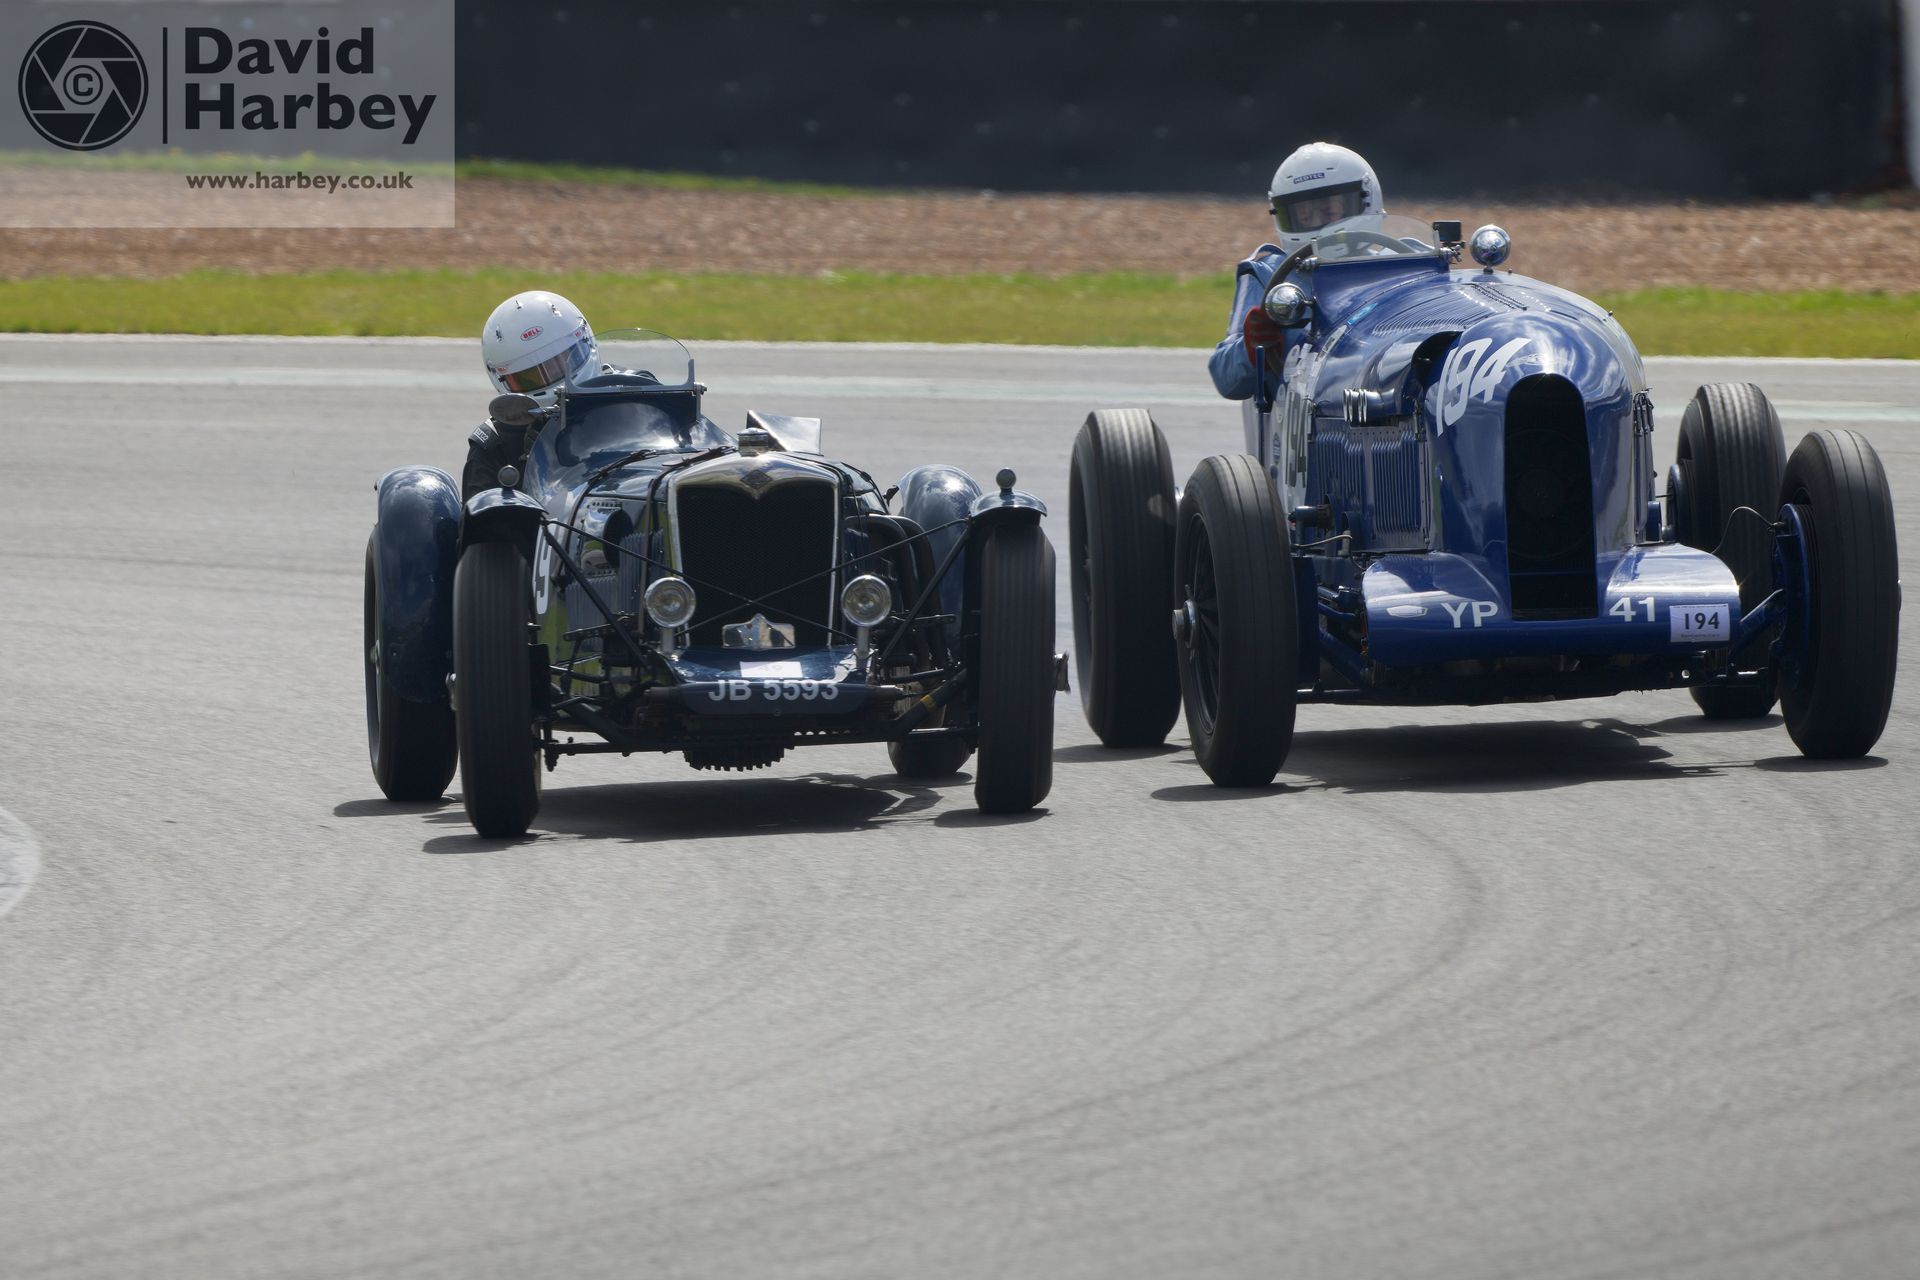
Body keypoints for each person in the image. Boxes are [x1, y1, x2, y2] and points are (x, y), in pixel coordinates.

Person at [1206, 142, 1384, 402]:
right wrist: (1252, 346)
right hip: (1305, 415)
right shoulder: (1266, 275)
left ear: (1365, 199)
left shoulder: (1408, 260)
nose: (1316, 224)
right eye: (1303, 215)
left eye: (1329, 211)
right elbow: (1225, 377)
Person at [462, 291, 599, 497]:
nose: (552, 381)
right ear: (501, 378)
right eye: (530, 377)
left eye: (563, 362)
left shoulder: (634, 394)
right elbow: (483, 523)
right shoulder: (496, 443)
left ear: (585, 342)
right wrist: (530, 467)